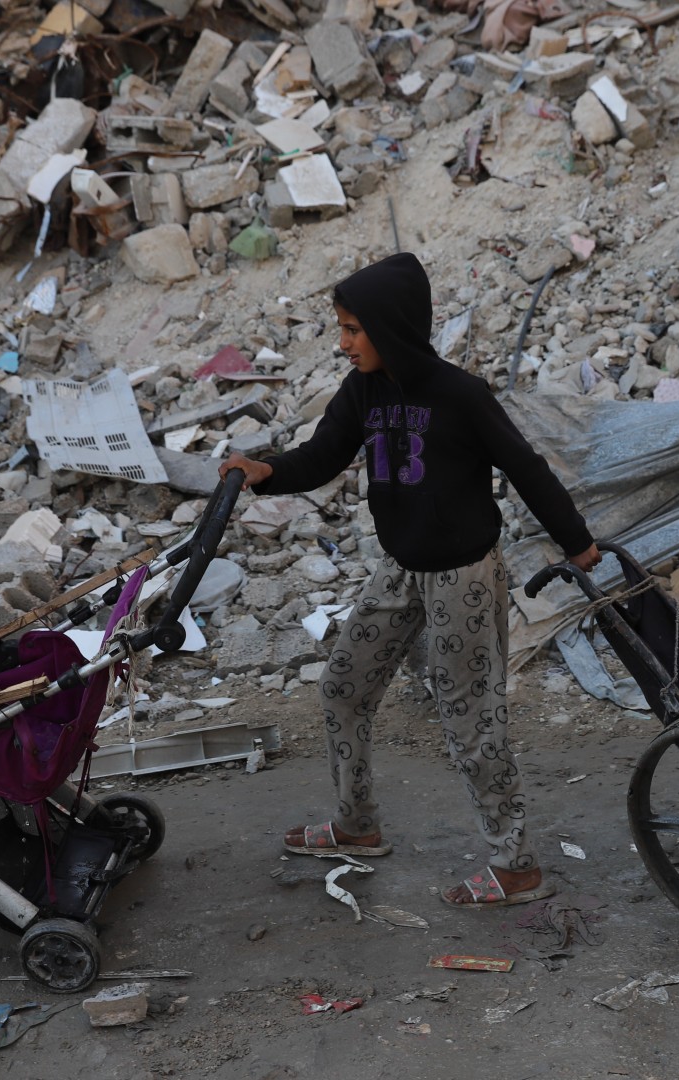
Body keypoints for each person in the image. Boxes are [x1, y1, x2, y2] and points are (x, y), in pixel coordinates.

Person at [220, 252, 601, 907]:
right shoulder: (364, 391)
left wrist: (578, 543)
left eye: (352, 330)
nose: (341, 344)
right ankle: (356, 825)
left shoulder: (461, 396)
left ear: (391, 327)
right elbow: (321, 456)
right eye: (340, 329)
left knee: (471, 723)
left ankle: (517, 865)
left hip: (463, 579)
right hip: (398, 570)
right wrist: (267, 471)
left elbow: (528, 468)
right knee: (343, 688)